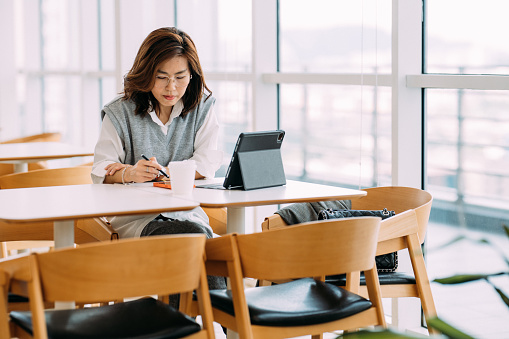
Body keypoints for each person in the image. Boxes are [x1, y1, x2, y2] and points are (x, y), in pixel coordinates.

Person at [91, 26, 226, 307]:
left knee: (196, 238)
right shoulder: (119, 111)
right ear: (145, 73)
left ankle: (218, 326)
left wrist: (167, 172)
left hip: (187, 212)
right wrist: (129, 173)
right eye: (161, 77)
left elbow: (208, 161)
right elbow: (102, 166)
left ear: (193, 76)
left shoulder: (203, 107)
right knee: (190, 239)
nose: (171, 88)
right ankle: (224, 325)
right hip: (135, 219)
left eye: (180, 77)